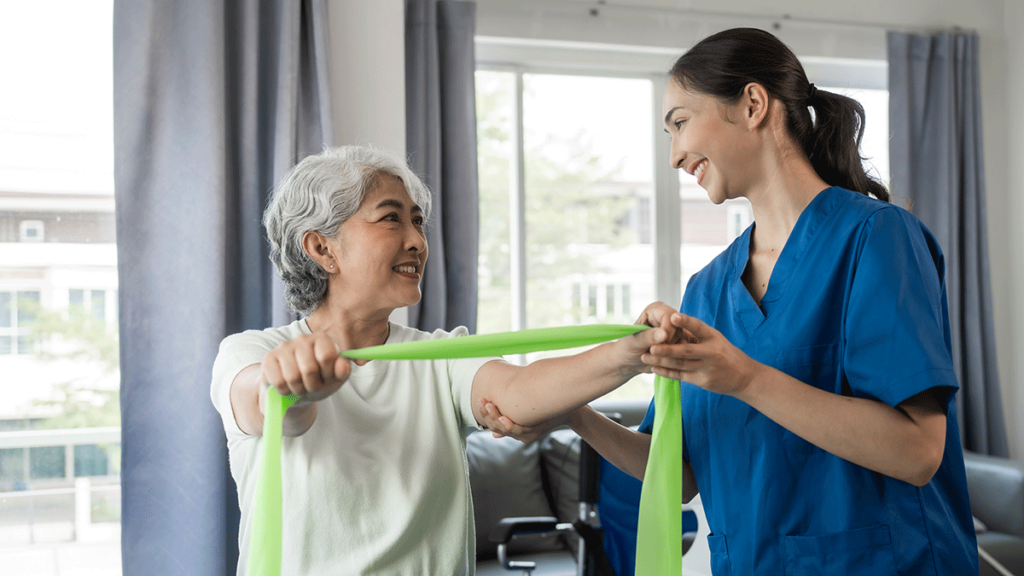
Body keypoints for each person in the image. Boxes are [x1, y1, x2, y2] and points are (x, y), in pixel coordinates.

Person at [482, 28, 979, 575]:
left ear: (752, 104)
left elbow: (917, 453)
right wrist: (574, 414)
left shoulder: (876, 239)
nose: (673, 155)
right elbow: (680, 476)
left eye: (679, 122)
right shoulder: (707, 288)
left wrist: (744, 377)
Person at [209, 145, 668, 576]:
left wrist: (629, 353)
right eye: (391, 220)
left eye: (418, 221)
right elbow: (265, 405)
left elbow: (522, 391)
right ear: (322, 249)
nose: (417, 241)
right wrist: (294, 389)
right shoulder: (252, 352)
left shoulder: (443, 356)